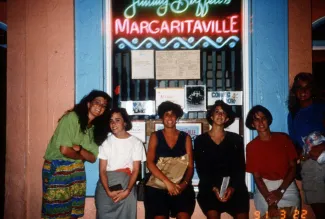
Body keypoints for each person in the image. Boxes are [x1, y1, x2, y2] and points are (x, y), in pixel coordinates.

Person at [42, 90, 111, 219]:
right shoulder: (72, 118)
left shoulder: (94, 129)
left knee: (74, 212)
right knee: (56, 212)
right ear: (88, 103)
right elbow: (65, 150)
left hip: (77, 170)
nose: (100, 107)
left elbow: (92, 158)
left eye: (104, 105)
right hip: (58, 167)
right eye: (97, 102)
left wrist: (79, 149)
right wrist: (82, 155)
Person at [194, 100, 249, 219]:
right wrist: (214, 188)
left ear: (227, 119)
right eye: (217, 111)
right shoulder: (200, 140)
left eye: (223, 113)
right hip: (209, 187)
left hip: (234, 187)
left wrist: (232, 188)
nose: (220, 115)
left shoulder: (236, 139)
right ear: (211, 116)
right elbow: (201, 169)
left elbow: (240, 168)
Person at [246, 105, 300, 219]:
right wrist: (270, 202)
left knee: (290, 216)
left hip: (286, 185)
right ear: (252, 124)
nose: (261, 122)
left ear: (268, 120)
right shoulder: (251, 146)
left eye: (263, 118)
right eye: (256, 119)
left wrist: (280, 191)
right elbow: (257, 177)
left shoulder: (283, 138)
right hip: (265, 189)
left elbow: (293, 166)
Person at [144, 101, 196, 219]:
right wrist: (168, 183)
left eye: (173, 114)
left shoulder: (185, 137)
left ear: (177, 117)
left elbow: (190, 166)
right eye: (166, 114)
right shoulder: (155, 136)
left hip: (180, 185)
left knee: (184, 216)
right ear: (162, 117)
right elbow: (150, 163)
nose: (170, 117)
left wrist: (184, 184)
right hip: (158, 185)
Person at [95, 107, 146, 219]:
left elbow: (136, 170)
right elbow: (102, 170)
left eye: (117, 120)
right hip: (105, 186)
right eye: (111, 121)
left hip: (126, 185)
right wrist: (108, 191)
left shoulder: (136, 143)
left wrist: (127, 191)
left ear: (125, 123)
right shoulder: (106, 143)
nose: (113, 124)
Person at [288, 72, 325, 219]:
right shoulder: (293, 114)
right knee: (318, 204)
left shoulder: (321, 108)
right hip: (309, 163)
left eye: (307, 87)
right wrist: (299, 157)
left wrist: (322, 147)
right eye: (299, 88)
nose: (303, 92)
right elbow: (295, 143)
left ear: (313, 89)